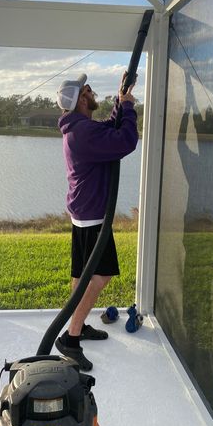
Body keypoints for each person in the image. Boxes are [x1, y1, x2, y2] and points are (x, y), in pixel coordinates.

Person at [55, 72, 138, 371]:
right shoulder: (82, 133)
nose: (91, 92)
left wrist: (120, 99)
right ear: (80, 100)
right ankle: (71, 338)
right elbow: (125, 140)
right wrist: (128, 107)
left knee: (81, 276)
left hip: (84, 213)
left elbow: (108, 130)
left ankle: (78, 324)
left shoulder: (80, 128)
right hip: (91, 217)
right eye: (87, 90)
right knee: (100, 277)